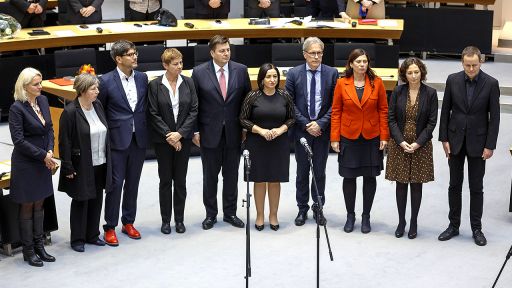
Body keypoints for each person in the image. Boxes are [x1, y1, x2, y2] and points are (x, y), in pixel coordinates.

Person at [438, 46, 500, 246]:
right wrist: (443, 138)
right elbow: (445, 109)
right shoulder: (452, 80)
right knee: (454, 185)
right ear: (462, 63)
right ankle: (453, 225)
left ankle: (476, 228)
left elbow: (495, 118)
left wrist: (490, 145)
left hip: (478, 142)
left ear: (480, 62)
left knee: (476, 187)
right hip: (455, 141)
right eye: (467, 65)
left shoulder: (491, 84)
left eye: (474, 65)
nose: (471, 69)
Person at [191, 35, 251, 230]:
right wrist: (195, 131)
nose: (226, 53)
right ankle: (210, 214)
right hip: (209, 133)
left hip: (234, 133)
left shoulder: (241, 70)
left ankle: (230, 213)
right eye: (222, 51)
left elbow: (246, 102)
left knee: (231, 175)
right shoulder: (199, 73)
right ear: (212, 53)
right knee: (210, 176)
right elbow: (194, 104)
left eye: (228, 50)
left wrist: (244, 127)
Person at [330, 48, 389, 234]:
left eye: (365, 61)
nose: (363, 65)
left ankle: (366, 216)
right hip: (349, 136)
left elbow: (383, 111)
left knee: (370, 177)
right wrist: (334, 137)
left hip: (371, 136)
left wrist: (384, 136)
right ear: (351, 64)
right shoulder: (341, 83)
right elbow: (336, 111)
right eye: (359, 62)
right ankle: (350, 215)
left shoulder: (377, 83)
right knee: (349, 177)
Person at [98, 40, 148, 246]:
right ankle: (110, 226)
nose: (134, 57)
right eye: (129, 54)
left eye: (135, 53)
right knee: (115, 184)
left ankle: (128, 222)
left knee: (133, 183)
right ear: (118, 59)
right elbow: (101, 111)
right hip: (117, 140)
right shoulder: (106, 81)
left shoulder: (143, 78)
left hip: (139, 139)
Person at [285, 37, 338, 227]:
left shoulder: (332, 73)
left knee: (319, 171)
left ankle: (318, 206)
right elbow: (289, 103)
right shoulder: (293, 74)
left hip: (322, 132)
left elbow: (335, 103)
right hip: (302, 131)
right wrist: (307, 124)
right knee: (302, 171)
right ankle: (302, 208)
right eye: (313, 53)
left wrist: (321, 124)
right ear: (304, 54)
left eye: (320, 53)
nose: (316, 57)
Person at [9, 67, 57, 267]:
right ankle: (28, 251)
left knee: (40, 204)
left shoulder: (43, 101)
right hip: (27, 163)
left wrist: (50, 151)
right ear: (24, 86)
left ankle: (40, 246)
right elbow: (18, 141)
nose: (40, 86)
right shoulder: (17, 108)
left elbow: (50, 129)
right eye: (36, 84)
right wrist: (43, 156)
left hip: (43, 160)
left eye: (41, 82)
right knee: (28, 205)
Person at [58, 73, 111, 252]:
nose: (97, 91)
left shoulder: (98, 105)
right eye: (93, 88)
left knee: (96, 198)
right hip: (81, 164)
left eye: (97, 87)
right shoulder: (70, 112)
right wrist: (67, 166)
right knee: (81, 200)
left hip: (100, 162)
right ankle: (77, 239)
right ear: (82, 91)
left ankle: (92, 235)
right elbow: (64, 141)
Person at [385, 57, 438, 239]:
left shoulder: (430, 93)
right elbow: (391, 119)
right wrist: (400, 141)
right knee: (400, 184)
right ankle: (401, 221)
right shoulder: (398, 91)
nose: (414, 76)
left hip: (420, 146)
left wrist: (417, 143)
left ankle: (414, 221)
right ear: (404, 74)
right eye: (409, 72)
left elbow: (431, 123)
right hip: (399, 144)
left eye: (416, 72)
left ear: (421, 72)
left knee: (416, 185)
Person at [147, 48, 198, 235]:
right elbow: (153, 113)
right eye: (175, 64)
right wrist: (170, 135)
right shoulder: (155, 85)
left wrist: (180, 134)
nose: (180, 67)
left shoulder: (189, 82)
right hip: (163, 141)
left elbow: (193, 110)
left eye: (181, 63)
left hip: (182, 140)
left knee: (181, 181)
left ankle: (179, 220)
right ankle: (166, 220)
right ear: (165, 65)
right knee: (166, 180)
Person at [240, 63, 295, 231]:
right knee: (259, 179)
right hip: (257, 142)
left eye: (275, 77)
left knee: (274, 179)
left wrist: (280, 130)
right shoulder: (253, 96)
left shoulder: (284, 95)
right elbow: (243, 119)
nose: (272, 80)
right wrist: (260, 131)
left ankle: (273, 215)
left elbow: (292, 118)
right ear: (262, 79)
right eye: (269, 77)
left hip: (279, 143)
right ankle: (259, 215)